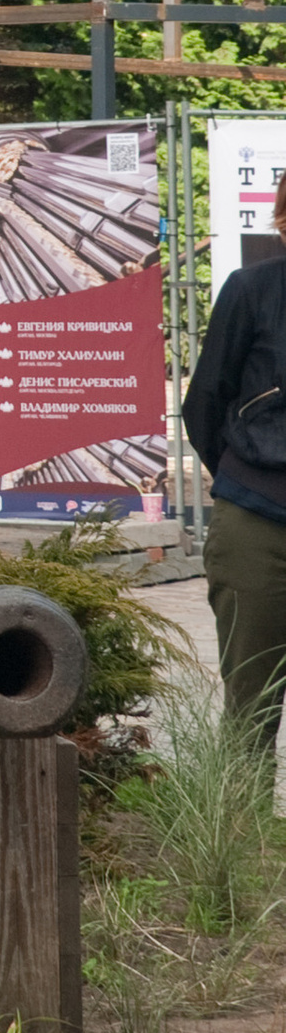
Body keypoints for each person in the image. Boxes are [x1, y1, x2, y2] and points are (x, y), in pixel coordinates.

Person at [185, 167, 286, 734]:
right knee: (251, 710)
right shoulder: (251, 290)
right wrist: (245, 478)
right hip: (257, 522)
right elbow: (205, 403)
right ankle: (240, 826)